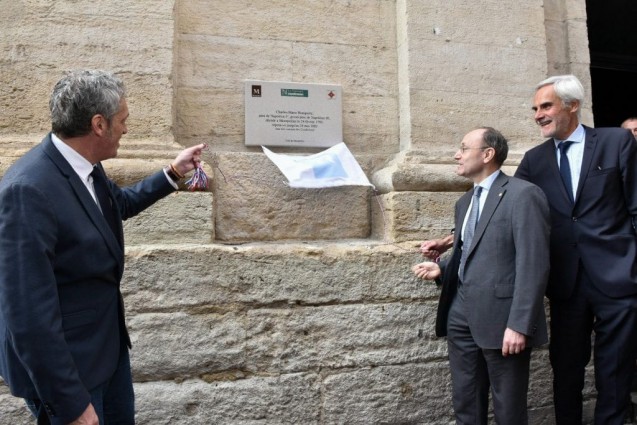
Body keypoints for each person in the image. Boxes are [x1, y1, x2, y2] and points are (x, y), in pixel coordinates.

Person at [0, 70, 207, 425]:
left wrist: (173, 172)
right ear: (99, 124)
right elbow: (28, 316)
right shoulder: (28, 190)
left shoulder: (85, 166)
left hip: (106, 354)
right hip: (70, 372)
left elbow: (116, 205)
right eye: (123, 120)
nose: (126, 129)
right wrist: (70, 404)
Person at [516, 75, 637, 424]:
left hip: (618, 277)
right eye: (535, 108)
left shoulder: (616, 142)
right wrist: (454, 237)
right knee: (566, 368)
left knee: (614, 370)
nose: (538, 114)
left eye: (546, 106)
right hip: (566, 283)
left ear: (572, 105)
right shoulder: (534, 160)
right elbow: (507, 210)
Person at [412, 127, 550, 424]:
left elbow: (534, 263)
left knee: (508, 409)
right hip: (459, 314)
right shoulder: (464, 202)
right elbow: (472, 252)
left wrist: (520, 324)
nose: (456, 155)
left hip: (503, 320)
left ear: (487, 154)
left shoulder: (523, 194)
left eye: (463, 148)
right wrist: (443, 269)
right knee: (466, 402)